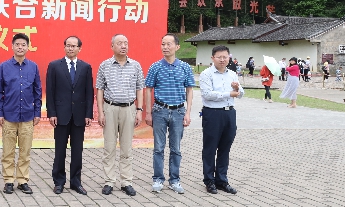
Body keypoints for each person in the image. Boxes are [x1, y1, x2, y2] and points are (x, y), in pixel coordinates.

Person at [144, 33, 194, 195]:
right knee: (158, 148)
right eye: (163, 44)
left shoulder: (185, 67)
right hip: (160, 110)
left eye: (168, 44)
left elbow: (189, 90)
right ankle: (158, 179)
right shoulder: (155, 67)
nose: (165, 47)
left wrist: (188, 113)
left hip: (179, 111)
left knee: (176, 148)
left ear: (177, 47)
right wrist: (148, 113)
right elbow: (148, 89)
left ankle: (174, 180)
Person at [96, 34, 144, 197]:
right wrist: (101, 112)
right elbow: (100, 89)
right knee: (109, 147)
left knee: (126, 147)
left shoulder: (135, 65)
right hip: (110, 108)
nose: (123, 46)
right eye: (119, 43)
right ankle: (109, 181)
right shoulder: (105, 65)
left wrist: (139, 110)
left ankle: (126, 182)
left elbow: (140, 88)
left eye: (126, 43)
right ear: (112, 46)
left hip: (129, 108)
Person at [0, 33, 42, 195]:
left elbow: (37, 91)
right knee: (8, 151)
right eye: (17, 44)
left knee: (25, 151)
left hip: (28, 116)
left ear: (28, 47)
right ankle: (8, 180)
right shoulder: (4, 67)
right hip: (9, 115)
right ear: (12, 46)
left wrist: (37, 112)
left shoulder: (33, 67)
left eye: (23, 45)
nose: (20, 47)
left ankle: (22, 180)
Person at [47, 36, 94, 196]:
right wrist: (52, 113)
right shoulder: (54, 66)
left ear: (79, 48)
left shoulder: (85, 67)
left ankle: (76, 182)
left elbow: (89, 92)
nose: (71, 48)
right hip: (61, 115)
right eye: (68, 45)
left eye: (74, 46)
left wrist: (88, 114)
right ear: (64, 47)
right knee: (60, 150)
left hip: (79, 115)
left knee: (77, 151)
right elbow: (50, 91)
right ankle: (59, 182)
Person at [199, 45, 243, 195]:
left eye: (225, 57)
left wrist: (237, 89)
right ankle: (209, 180)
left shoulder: (232, 74)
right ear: (213, 58)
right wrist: (229, 93)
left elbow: (240, 93)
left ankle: (222, 180)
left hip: (229, 113)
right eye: (219, 57)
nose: (222, 60)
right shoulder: (206, 74)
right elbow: (207, 94)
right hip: (212, 114)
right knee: (210, 148)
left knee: (225, 148)